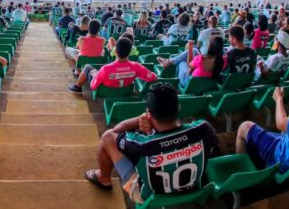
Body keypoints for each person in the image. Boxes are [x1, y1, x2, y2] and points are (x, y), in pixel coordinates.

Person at [83, 82, 218, 203]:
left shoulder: (140, 145)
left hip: (149, 197)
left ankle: (103, 178)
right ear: (179, 108)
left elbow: (116, 130)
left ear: (149, 113)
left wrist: (138, 120)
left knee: (107, 137)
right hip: (193, 188)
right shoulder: (204, 129)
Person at [69, 37, 156, 93]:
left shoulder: (105, 69)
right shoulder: (137, 66)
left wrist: (95, 74)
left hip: (105, 93)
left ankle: (77, 87)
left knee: (88, 67)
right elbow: (153, 78)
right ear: (129, 52)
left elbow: (93, 85)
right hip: (125, 92)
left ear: (116, 52)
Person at [156, 37, 226, 84]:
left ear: (210, 46)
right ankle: (169, 61)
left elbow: (189, 64)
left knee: (181, 62)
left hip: (189, 82)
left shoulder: (201, 58)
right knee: (195, 50)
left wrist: (189, 49)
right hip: (207, 83)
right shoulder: (223, 60)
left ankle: (169, 63)